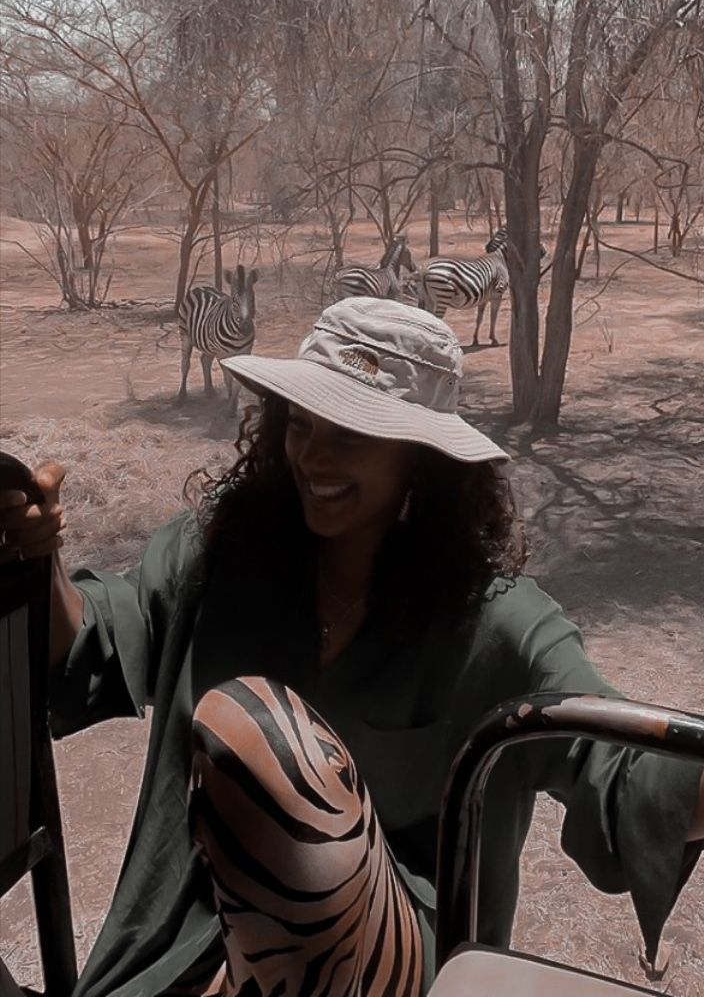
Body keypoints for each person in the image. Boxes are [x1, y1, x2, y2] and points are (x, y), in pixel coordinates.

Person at [0, 296, 702, 997]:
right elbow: (92, 641)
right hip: (182, 948)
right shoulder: (222, 555)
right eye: (301, 425)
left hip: (382, 970)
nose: (313, 455)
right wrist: (37, 557)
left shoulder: (497, 624)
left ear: (423, 460)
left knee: (263, 731)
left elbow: (617, 767)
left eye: (352, 433)